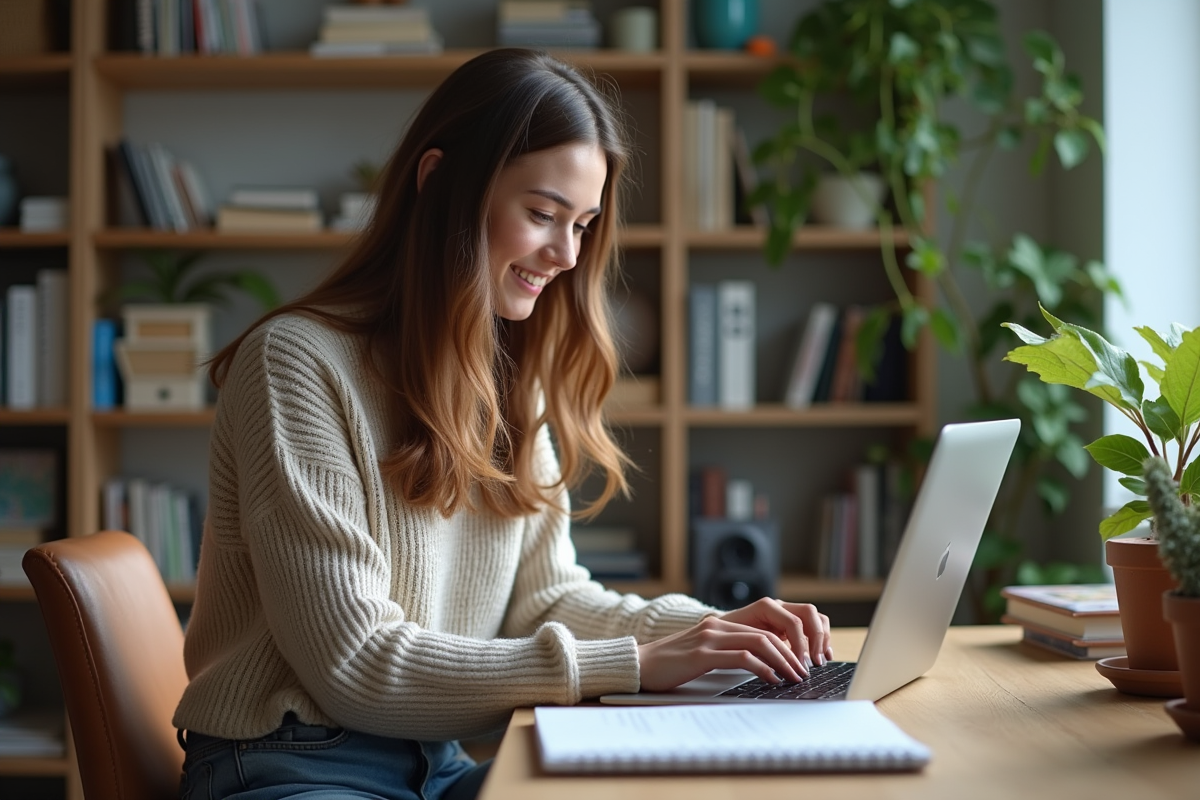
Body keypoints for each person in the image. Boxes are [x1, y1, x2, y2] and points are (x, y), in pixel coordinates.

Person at [173, 48, 832, 800]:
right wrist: (638, 664)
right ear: (439, 182)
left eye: (582, 225)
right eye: (544, 215)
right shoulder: (295, 363)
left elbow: (544, 601)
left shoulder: (510, 377)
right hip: (288, 766)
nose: (565, 254)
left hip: (434, 763)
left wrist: (719, 633)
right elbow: (356, 664)